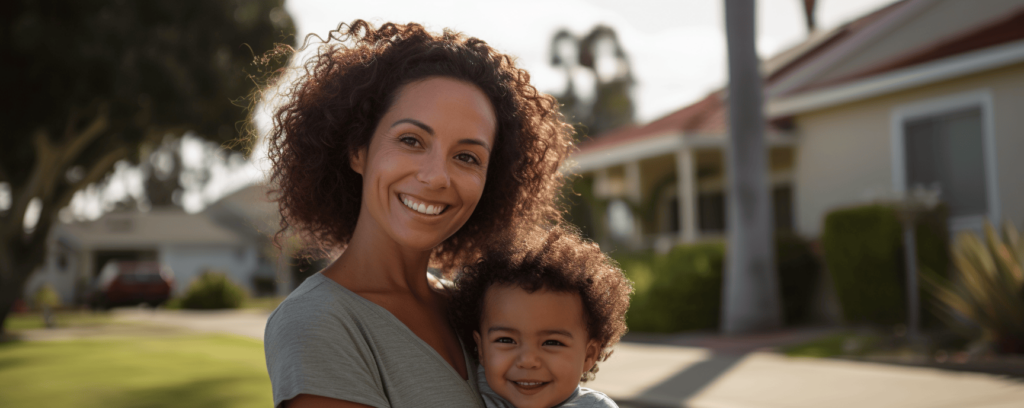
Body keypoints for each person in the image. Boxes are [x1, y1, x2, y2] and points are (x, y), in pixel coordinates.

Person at [260, 20, 574, 408]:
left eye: (466, 157)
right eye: (411, 140)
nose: (436, 177)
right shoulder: (318, 322)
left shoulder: (479, 312)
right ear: (359, 150)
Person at [449, 226, 633, 408]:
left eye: (552, 342)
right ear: (481, 350)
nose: (528, 360)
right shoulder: (467, 389)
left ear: (589, 354)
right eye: (506, 340)